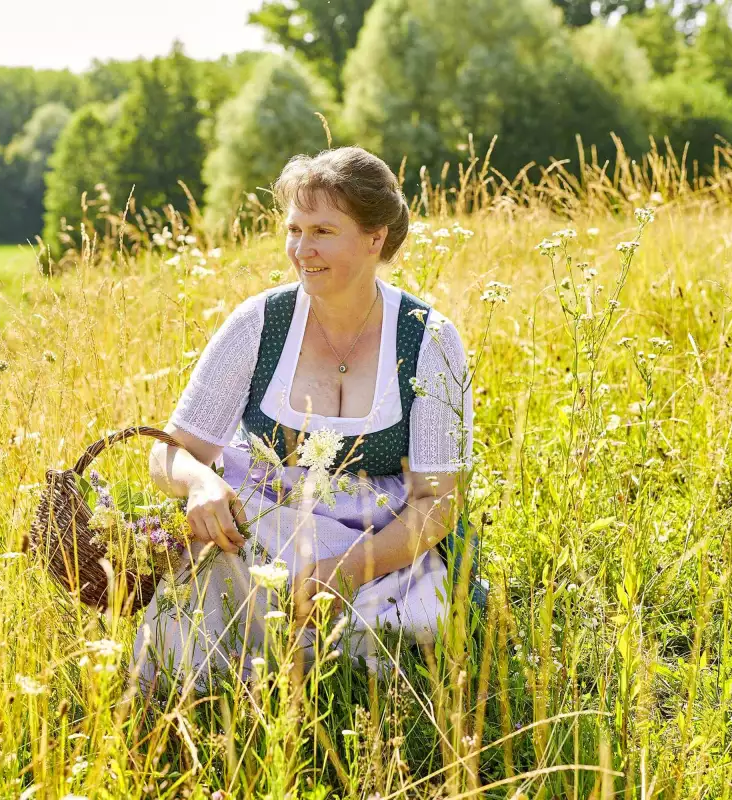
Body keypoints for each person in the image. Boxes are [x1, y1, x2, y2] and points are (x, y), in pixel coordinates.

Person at [133, 146, 477, 691]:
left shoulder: (428, 338)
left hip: (380, 545)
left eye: (322, 231)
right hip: (261, 534)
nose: (301, 249)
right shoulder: (258, 324)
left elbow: (439, 501)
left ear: (375, 237)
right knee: (198, 618)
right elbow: (168, 451)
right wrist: (198, 483)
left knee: (386, 650)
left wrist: (346, 570)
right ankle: (199, 719)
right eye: (294, 229)